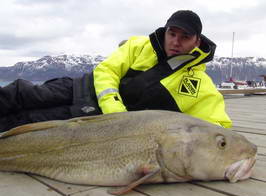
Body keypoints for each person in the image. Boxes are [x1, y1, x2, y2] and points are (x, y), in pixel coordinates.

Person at [0, 10, 232, 132]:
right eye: (172, 33)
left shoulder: (201, 86)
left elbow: (217, 126)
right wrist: (116, 111)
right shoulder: (138, 45)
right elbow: (106, 70)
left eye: (185, 37)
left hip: (95, 117)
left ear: (197, 40)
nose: (175, 41)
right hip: (83, 88)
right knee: (24, 93)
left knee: (30, 121)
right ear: (165, 31)